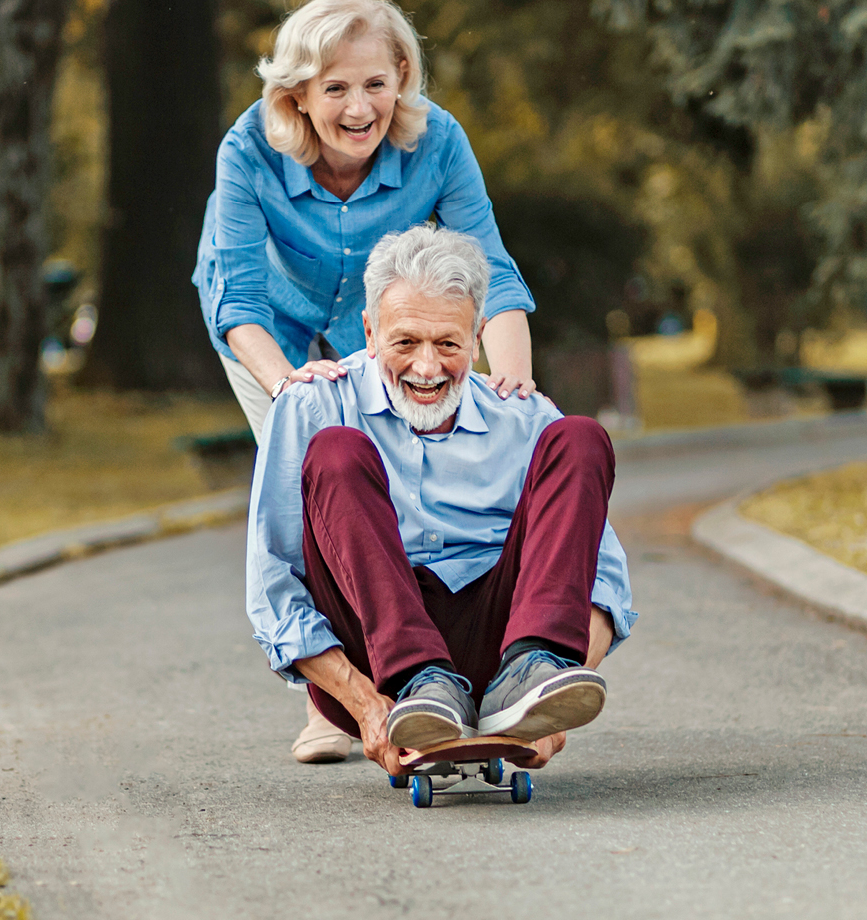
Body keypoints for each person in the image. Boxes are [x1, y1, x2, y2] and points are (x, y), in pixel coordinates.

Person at [192, 0, 541, 763]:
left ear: (403, 79)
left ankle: (420, 671)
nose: (360, 107)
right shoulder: (249, 149)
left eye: (377, 83)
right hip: (269, 333)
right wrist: (289, 386)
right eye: (336, 88)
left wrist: (515, 380)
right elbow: (237, 298)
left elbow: (495, 274)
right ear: (299, 94)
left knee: (389, 478)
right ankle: (328, 701)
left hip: (388, 328)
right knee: (312, 481)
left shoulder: (438, 141)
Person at [247, 224, 635, 774]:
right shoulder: (311, 405)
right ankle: (418, 687)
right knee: (336, 452)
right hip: (373, 655)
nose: (427, 368)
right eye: (405, 342)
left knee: (580, 438)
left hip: (500, 646)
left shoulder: (522, 416)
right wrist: (364, 704)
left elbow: (605, 582)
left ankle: (533, 669)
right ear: (369, 331)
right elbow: (274, 585)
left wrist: (555, 705)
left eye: (448, 344)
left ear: (477, 339)